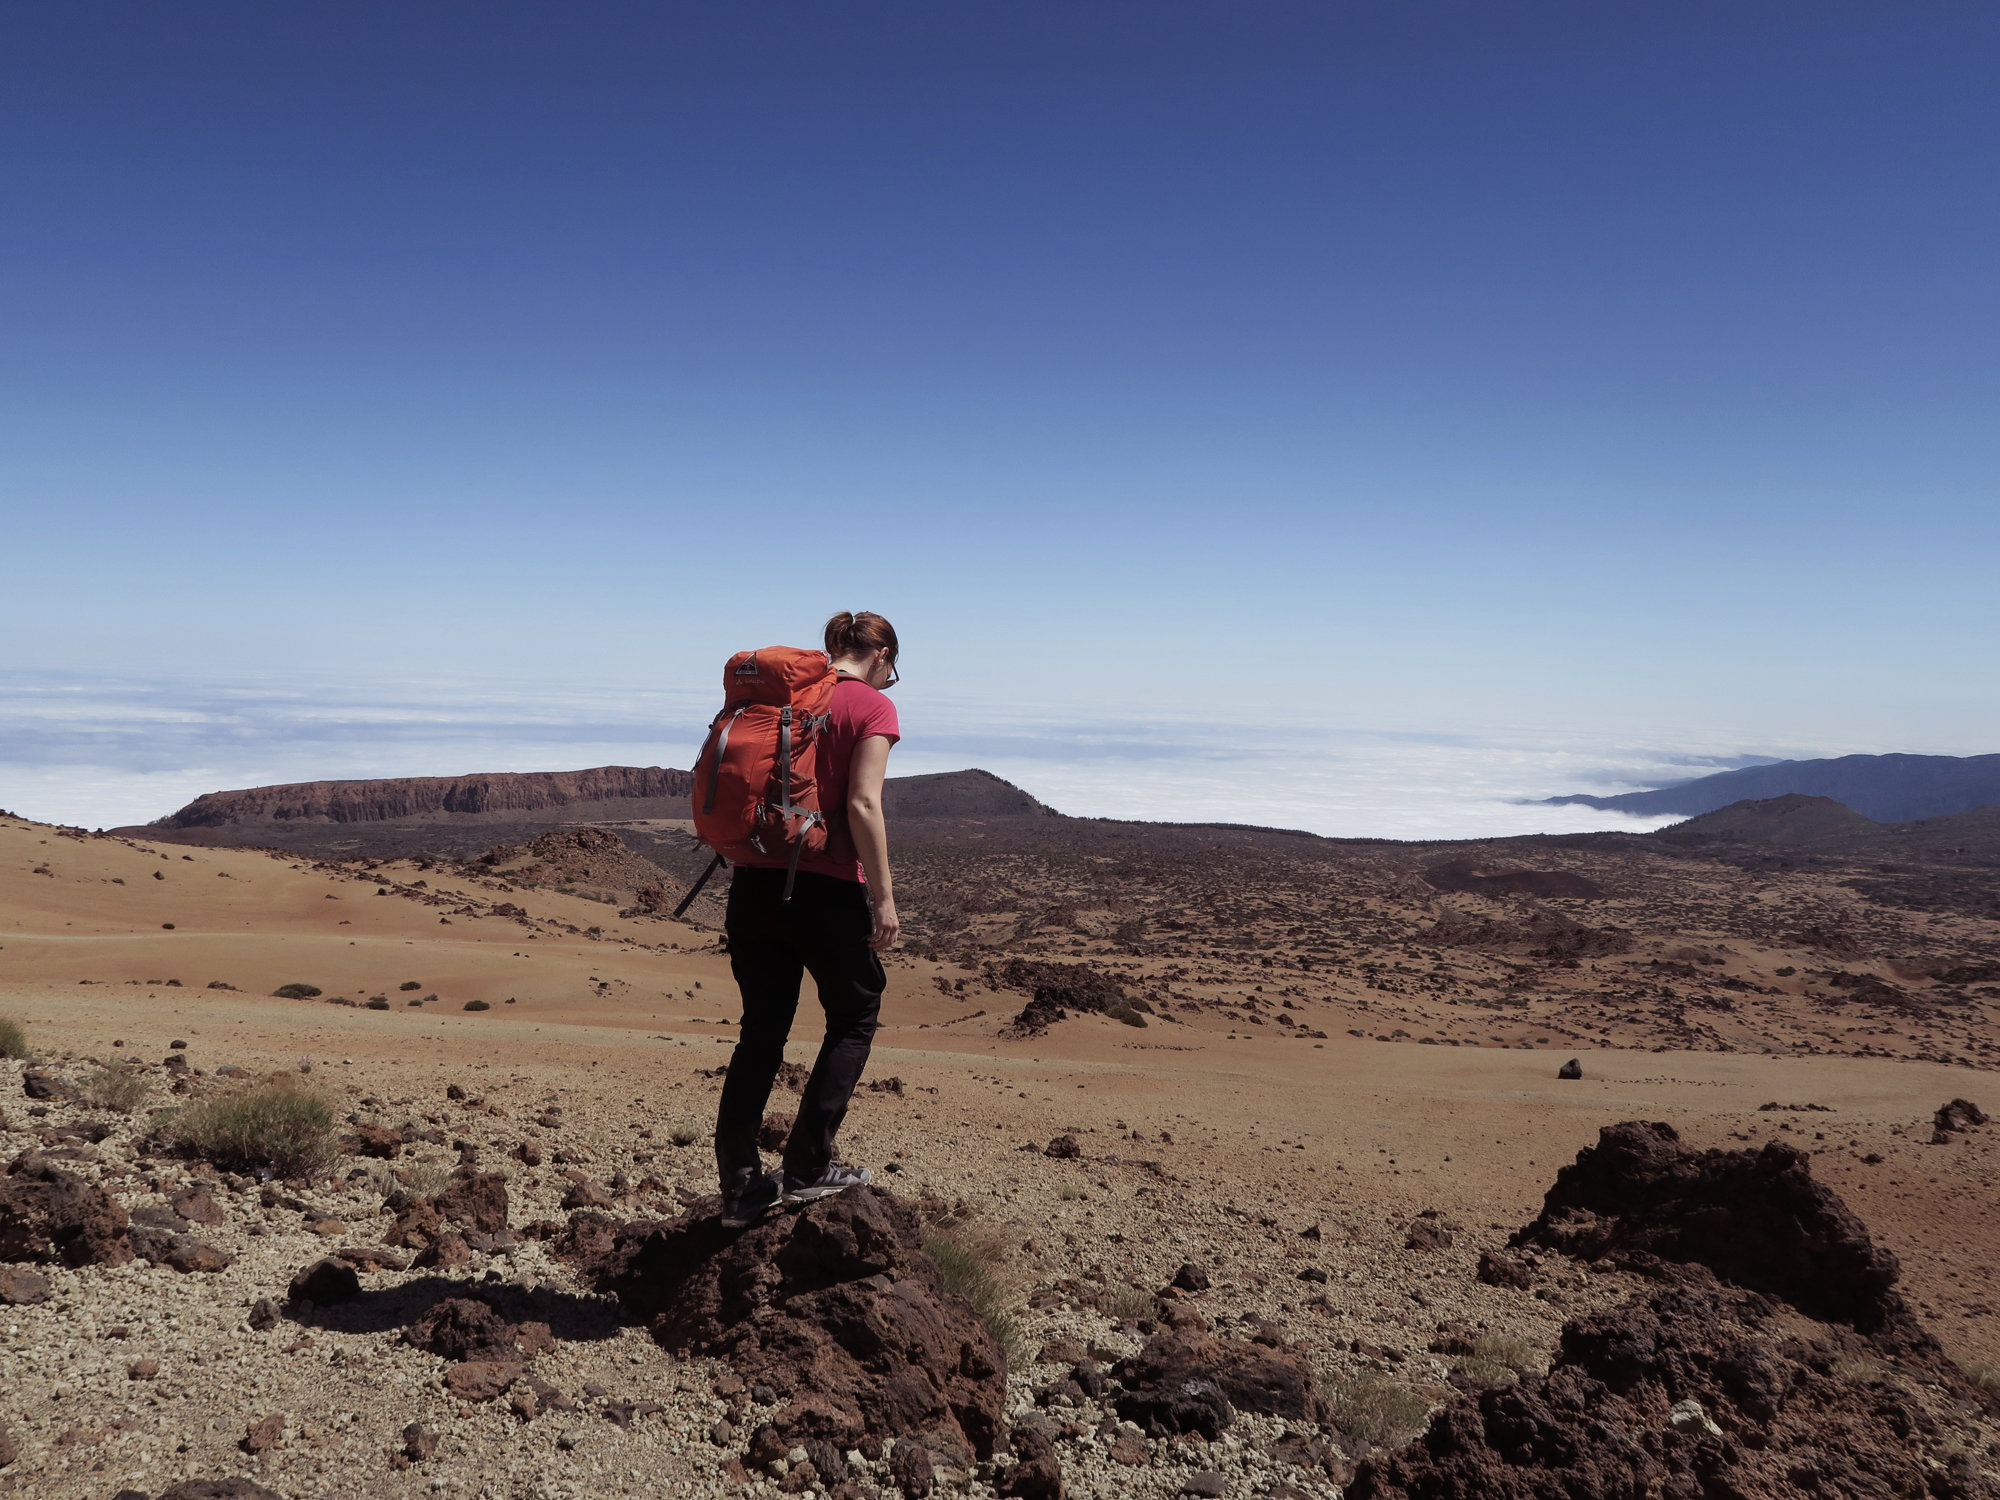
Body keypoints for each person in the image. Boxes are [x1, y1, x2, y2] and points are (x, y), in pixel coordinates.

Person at [714, 610, 902, 1224]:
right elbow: (864, 803)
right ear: (880, 656)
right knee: (854, 1017)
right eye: (891, 670)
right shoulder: (870, 707)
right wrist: (883, 897)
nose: (889, 680)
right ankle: (808, 1166)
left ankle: (741, 1186)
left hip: (753, 885)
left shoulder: (785, 699)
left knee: (762, 1031)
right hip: (825, 892)